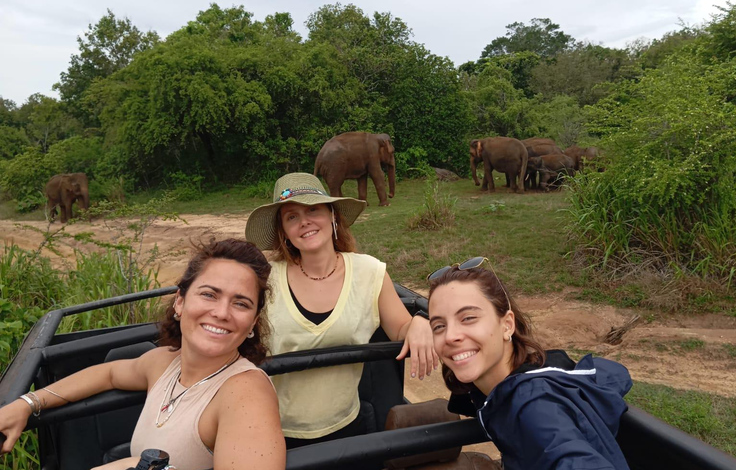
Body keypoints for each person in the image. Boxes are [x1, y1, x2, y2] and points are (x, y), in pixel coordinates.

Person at [0, 239, 285, 470]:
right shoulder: (164, 362)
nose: (222, 313)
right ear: (181, 301)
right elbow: (108, 373)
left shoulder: (246, 394)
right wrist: (28, 402)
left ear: (252, 322)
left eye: (241, 303)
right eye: (209, 294)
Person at [244, 172, 437, 448]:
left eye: (313, 210)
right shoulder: (265, 279)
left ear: (332, 215)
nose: (305, 222)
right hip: (274, 431)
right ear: (283, 231)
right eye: (292, 217)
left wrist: (419, 323)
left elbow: (401, 327)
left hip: (349, 426)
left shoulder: (369, 271)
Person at [427, 258, 633, 470]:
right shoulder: (521, 380)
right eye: (439, 326)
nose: (450, 336)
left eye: (468, 318)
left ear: (507, 325)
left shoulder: (532, 406)